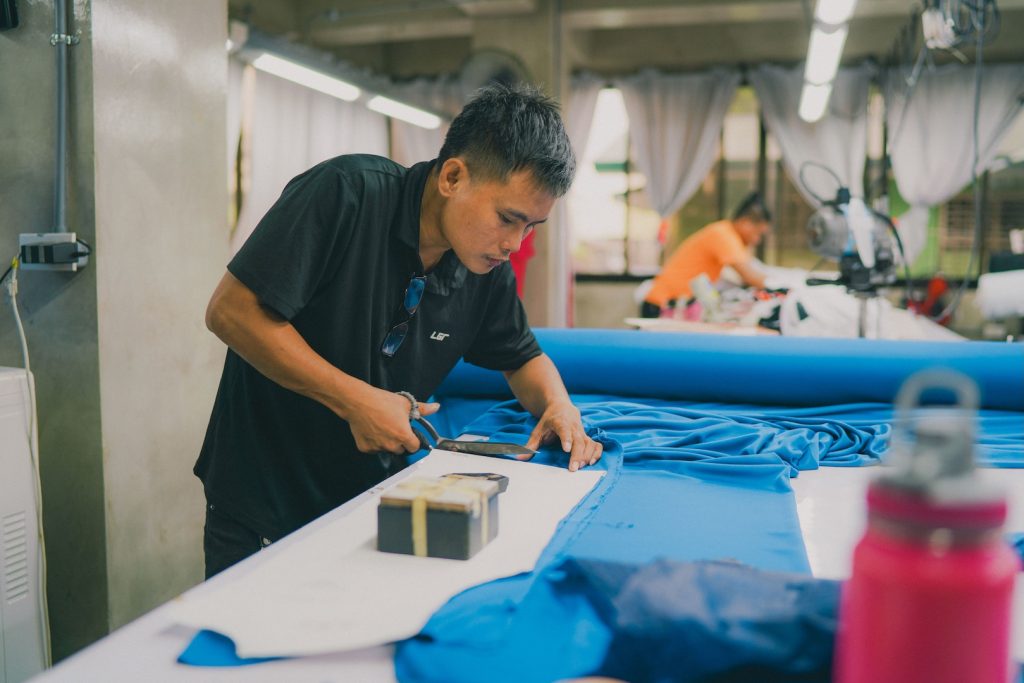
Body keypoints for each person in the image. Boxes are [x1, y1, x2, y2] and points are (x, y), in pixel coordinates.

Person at [196, 83, 603, 578]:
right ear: (452, 177)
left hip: (373, 499)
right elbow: (231, 312)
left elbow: (521, 357)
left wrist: (559, 406)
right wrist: (356, 401)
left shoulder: (483, 266)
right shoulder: (346, 193)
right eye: (507, 218)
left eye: (532, 226)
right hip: (267, 497)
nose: (515, 244)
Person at [640, 192, 772, 318]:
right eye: (758, 234)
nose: (757, 240)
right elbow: (750, 277)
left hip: (674, 305)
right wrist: (778, 285)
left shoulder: (726, 233)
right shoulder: (723, 235)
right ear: (746, 223)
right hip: (662, 305)